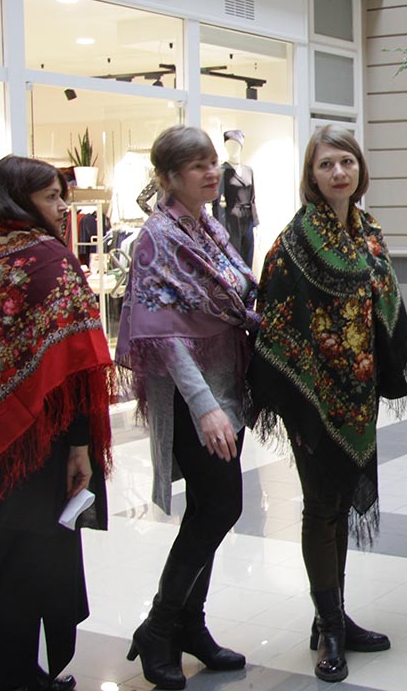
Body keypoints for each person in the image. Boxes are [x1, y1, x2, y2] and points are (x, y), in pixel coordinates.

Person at [0, 156, 114, 691]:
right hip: (35, 448)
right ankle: (18, 677)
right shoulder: (48, 259)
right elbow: (78, 366)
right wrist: (80, 449)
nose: (60, 208)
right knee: (30, 565)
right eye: (51, 197)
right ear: (16, 199)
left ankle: (10, 673)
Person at [250, 126, 407, 683]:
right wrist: (305, 379)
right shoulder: (296, 240)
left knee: (339, 502)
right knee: (321, 505)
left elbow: (381, 301)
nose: (338, 172)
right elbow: (275, 312)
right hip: (312, 394)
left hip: (356, 394)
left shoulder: (368, 230)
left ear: (360, 169)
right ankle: (331, 631)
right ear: (311, 175)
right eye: (326, 165)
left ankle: (332, 616)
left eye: (346, 162)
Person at [116, 125, 258, 690]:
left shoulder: (208, 227)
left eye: (211, 161)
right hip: (192, 395)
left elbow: (234, 295)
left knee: (207, 509)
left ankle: (190, 626)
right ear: (169, 177)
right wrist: (205, 407)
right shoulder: (157, 238)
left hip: (226, 384)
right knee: (221, 507)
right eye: (197, 165)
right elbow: (165, 335)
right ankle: (158, 627)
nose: (210, 172)